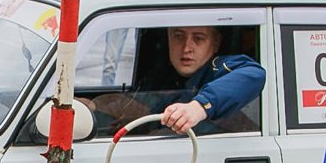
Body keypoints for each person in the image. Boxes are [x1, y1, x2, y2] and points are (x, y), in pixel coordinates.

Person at [96, 25, 266, 137]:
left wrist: (199, 106)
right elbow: (143, 107)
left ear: (215, 44)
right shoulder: (162, 77)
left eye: (198, 39)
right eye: (178, 36)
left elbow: (254, 74)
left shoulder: (219, 68)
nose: (186, 48)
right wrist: (94, 106)